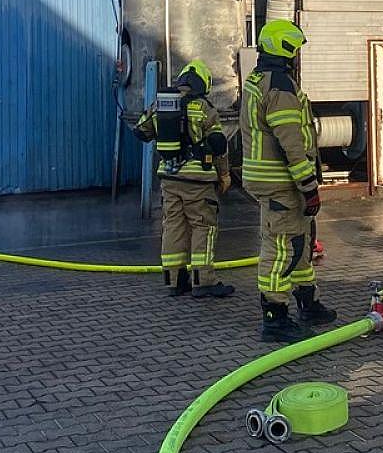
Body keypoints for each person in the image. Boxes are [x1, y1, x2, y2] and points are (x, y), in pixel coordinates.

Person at [242, 20, 336, 344]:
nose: (297, 56)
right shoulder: (280, 86)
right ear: (285, 49)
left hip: (274, 181)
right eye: (295, 49)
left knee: (301, 244)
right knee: (283, 249)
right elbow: (291, 143)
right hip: (281, 182)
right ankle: (276, 318)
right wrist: (309, 187)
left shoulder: (259, 79)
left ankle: (308, 303)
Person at [133, 59, 234, 299]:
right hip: (198, 180)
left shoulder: (162, 104)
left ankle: (175, 280)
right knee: (203, 226)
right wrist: (224, 174)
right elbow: (219, 144)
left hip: (169, 179)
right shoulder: (204, 108)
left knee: (173, 227)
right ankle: (204, 281)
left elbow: (140, 131)